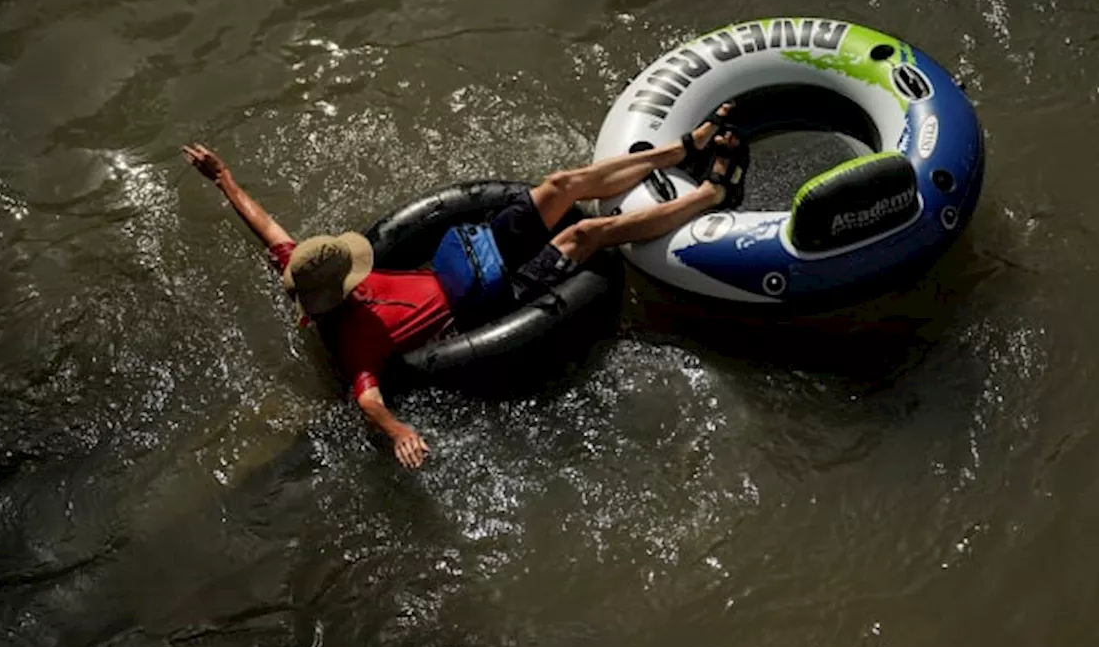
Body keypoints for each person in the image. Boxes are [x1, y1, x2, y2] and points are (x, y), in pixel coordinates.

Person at [182, 108, 747, 469]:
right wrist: (400, 432)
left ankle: (682, 150)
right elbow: (367, 399)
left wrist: (223, 177)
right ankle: (709, 198)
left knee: (559, 185)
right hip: (491, 301)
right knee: (584, 234)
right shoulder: (350, 340)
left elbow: (267, 229)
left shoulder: (309, 268)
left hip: (471, 257)